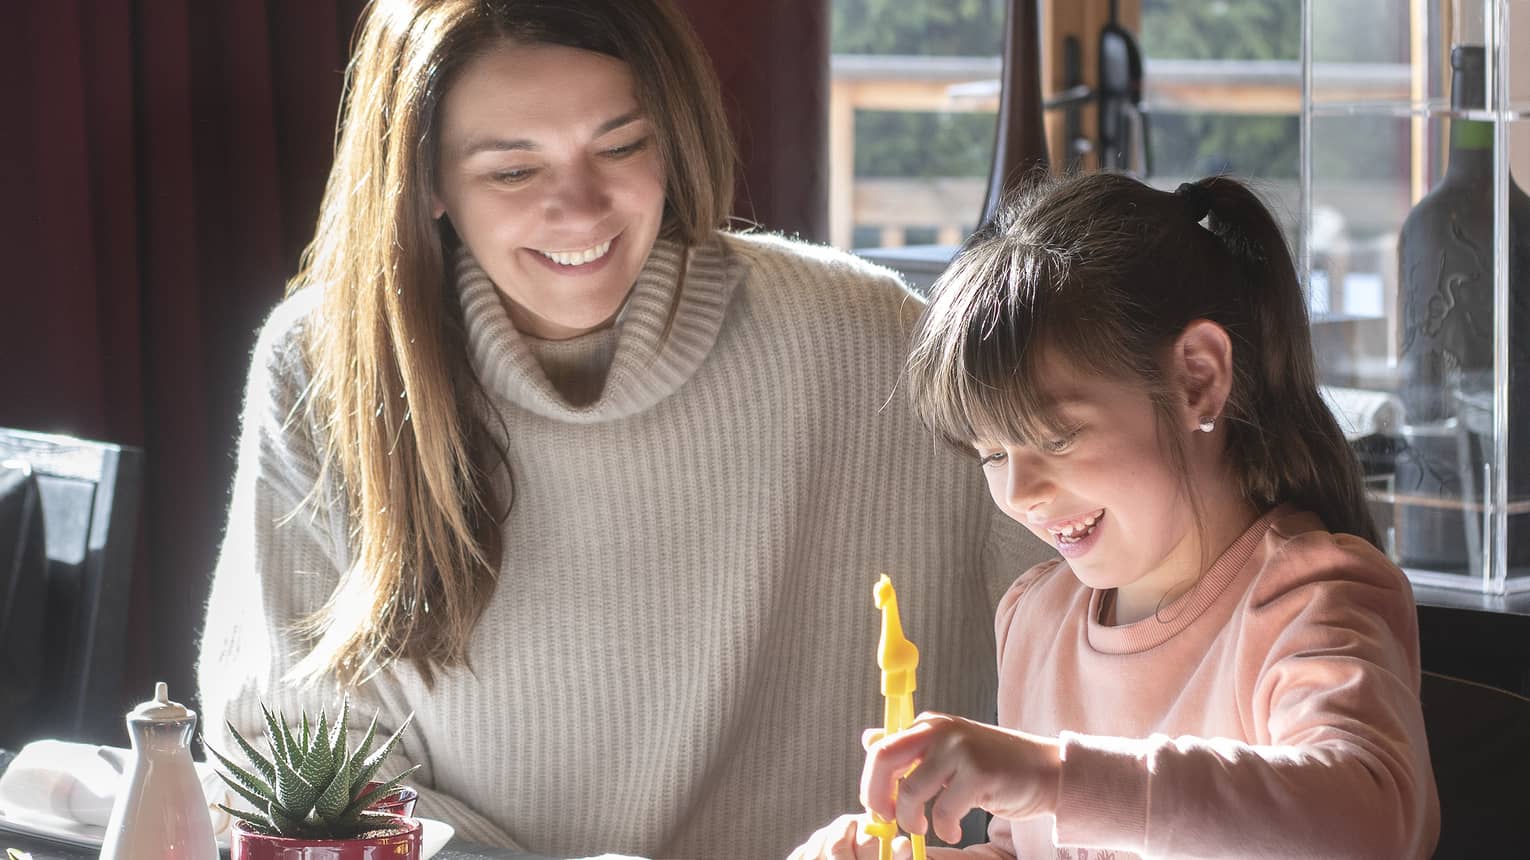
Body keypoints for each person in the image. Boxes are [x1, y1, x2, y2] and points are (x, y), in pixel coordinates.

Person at [195, 1, 1052, 857]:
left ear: (671, 137)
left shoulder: (866, 338)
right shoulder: (323, 367)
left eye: (619, 146)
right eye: (512, 172)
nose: (580, 207)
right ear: (427, 184)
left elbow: (1092, 631)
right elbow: (282, 762)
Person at [792, 172, 1440, 859]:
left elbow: (1369, 824)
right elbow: (1024, 849)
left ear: (1197, 377)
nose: (1022, 492)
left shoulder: (1308, 600)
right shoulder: (1036, 619)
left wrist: (1048, 775)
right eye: (991, 454)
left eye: (1055, 438)